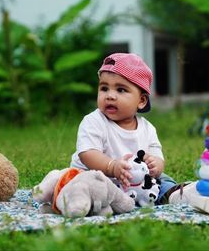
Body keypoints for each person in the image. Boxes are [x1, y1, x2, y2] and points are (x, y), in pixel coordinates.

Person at [69, 53, 185, 204]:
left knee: (162, 178)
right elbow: (87, 154)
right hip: (97, 177)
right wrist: (112, 167)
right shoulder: (94, 121)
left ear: (141, 100)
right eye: (104, 88)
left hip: (135, 182)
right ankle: (92, 202)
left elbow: (157, 156)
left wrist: (155, 165)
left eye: (121, 90)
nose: (110, 96)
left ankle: (176, 195)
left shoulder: (147, 129)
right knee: (86, 184)